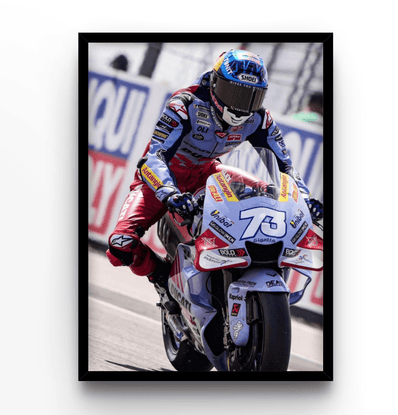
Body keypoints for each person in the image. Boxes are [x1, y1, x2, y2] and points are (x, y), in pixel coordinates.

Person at [106, 49, 323, 289]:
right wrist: (169, 192)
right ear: (215, 84)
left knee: (269, 194)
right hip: (161, 181)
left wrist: (304, 198)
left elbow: (285, 167)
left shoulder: (260, 119)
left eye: (252, 97)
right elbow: (152, 159)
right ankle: (161, 276)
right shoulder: (185, 104)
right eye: (234, 93)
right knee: (120, 244)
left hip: (207, 175)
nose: (241, 106)